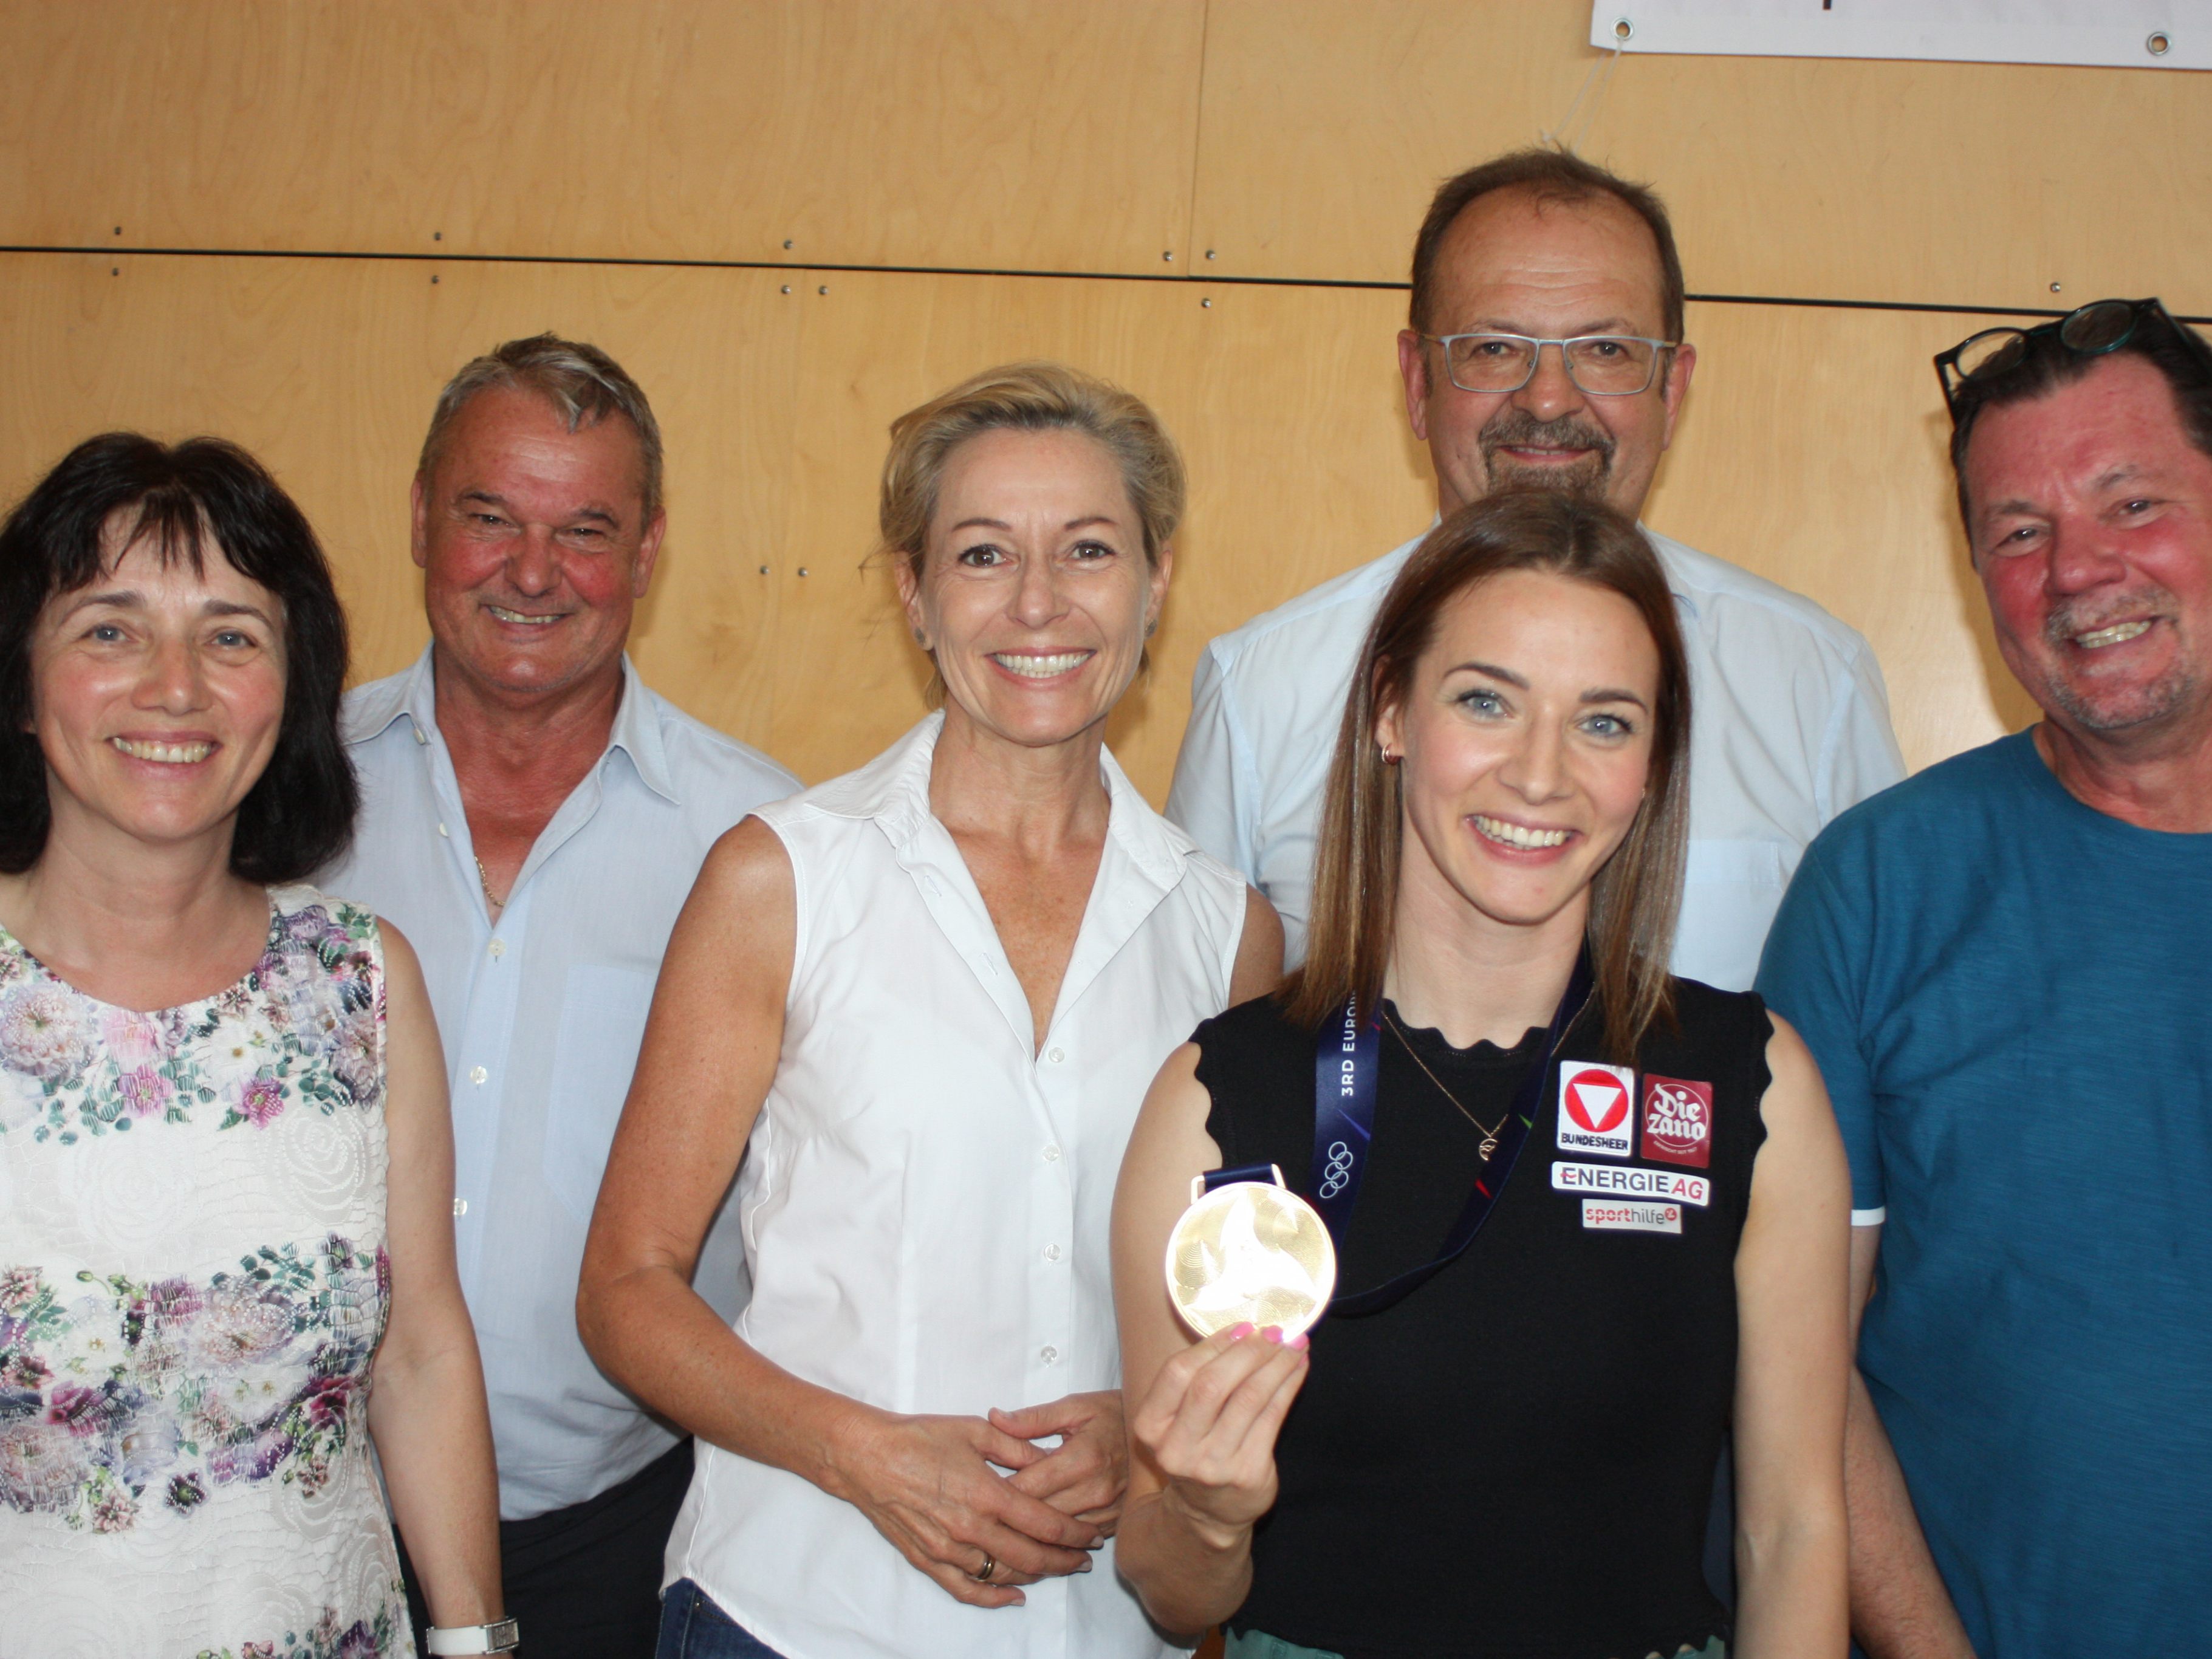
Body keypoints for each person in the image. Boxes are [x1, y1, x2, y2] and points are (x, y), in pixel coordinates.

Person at [577, 361, 1281, 1659]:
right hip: (795, 1609)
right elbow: (626, 1291)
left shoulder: (1226, 930)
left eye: (1086, 550)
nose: (1036, 603)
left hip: (1101, 1626)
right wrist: (866, 1456)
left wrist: (1145, 1422)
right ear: (913, 593)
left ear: (1156, 582)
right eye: (979, 555)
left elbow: (1238, 1310)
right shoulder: (781, 877)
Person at [1115, 490, 1851, 1659]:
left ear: (1653, 764)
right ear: (1391, 712)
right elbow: (1169, 1592)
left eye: (1604, 723)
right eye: (1485, 702)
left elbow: (1796, 1530)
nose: (1540, 774)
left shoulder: (1746, 1084)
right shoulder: (1220, 1097)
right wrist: (1206, 1513)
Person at [321, 335, 796, 1654]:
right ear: (422, 519)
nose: (534, 573)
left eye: (585, 530)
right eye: (490, 518)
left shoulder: (762, 844)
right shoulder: (281, 805)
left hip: (625, 1530)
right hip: (310, 1513)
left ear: (646, 556)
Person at [1168, 146, 1904, 990]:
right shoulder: (1260, 685)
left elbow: (1873, 1029)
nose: (1549, 398)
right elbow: (1197, 1026)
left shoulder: (1815, 680)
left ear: (1673, 389)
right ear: (1416, 381)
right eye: (1491, 347)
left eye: (1605, 350)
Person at [1756, 297, 2212, 1658]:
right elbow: (1795, 1368)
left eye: (2131, 503)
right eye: (2020, 532)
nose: (2077, 571)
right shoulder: (1882, 887)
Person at [0, 435, 505, 1657]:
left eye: (231, 634)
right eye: (110, 629)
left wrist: (478, 1642)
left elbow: (423, 1353)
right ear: (21, 678)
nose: (175, 687)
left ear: (295, 689)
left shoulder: (361, 983)